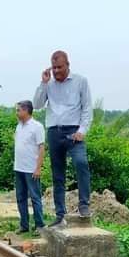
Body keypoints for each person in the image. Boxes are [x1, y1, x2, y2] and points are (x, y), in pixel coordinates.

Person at [33, 50, 92, 224]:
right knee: (57, 175)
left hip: (74, 131)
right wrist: (43, 83)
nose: (56, 71)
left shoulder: (81, 81)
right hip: (54, 131)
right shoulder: (49, 84)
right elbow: (36, 105)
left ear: (67, 65)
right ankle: (60, 215)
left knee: (81, 163)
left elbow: (87, 108)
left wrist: (82, 130)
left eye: (59, 67)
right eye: (54, 67)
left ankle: (84, 205)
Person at [13, 100, 46, 232]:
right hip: (19, 168)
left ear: (26, 111)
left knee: (35, 197)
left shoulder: (37, 126)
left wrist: (38, 168)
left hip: (31, 169)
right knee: (20, 197)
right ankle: (24, 225)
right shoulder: (19, 126)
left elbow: (42, 148)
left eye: (18, 110)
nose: (17, 113)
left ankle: (39, 225)